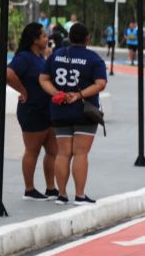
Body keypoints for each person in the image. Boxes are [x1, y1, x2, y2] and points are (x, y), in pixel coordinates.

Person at [39, 23, 108, 205]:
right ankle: (79, 195)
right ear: (87, 38)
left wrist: (56, 93)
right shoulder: (93, 59)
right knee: (80, 153)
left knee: (62, 153)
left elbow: (43, 78)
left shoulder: (57, 55)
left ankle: (61, 194)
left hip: (60, 109)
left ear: (69, 36)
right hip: (84, 111)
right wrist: (78, 95)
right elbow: (100, 83)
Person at [6, 22, 59, 201]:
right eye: (44, 36)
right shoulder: (24, 57)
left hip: (47, 110)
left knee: (53, 150)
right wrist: (22, 90)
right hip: (32, 110)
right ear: (34, 40)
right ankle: (29, 189)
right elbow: (8, 74)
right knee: (32, 150)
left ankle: (51, 188)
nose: (47, 38)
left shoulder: (40, 57)